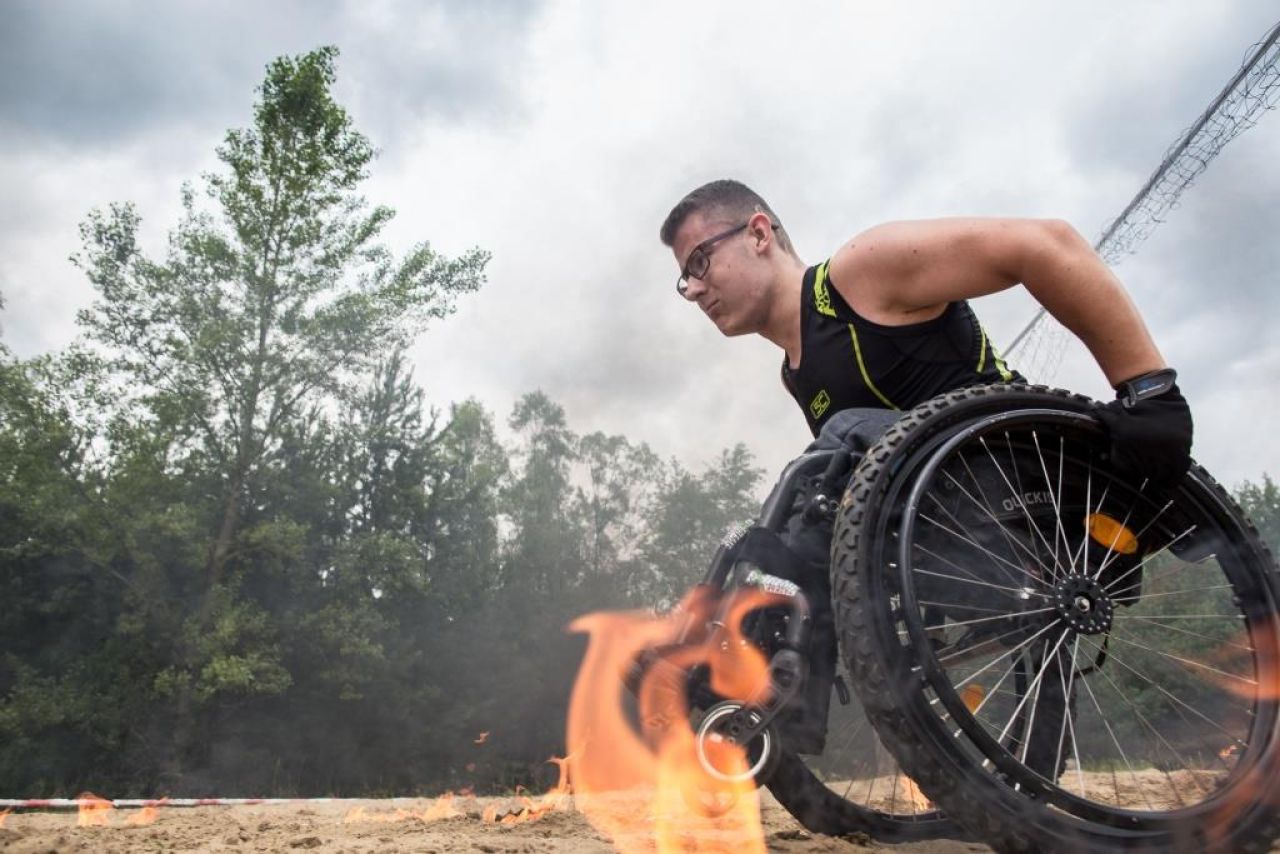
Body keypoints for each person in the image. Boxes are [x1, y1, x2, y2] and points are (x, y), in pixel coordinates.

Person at [659, 179, 1193, 487]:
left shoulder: (857, 274)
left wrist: (1149, 392)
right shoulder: (795, 375)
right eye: (686, 278)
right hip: (955, 523)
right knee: (823, 486)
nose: (696, 289)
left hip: (1034, 474)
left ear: (757, 234)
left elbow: (1046, 243)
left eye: (701, 261)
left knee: (832, 453)